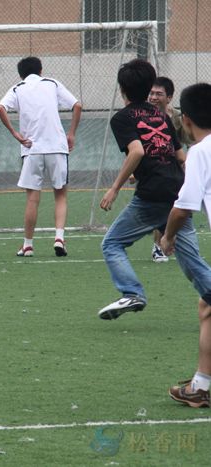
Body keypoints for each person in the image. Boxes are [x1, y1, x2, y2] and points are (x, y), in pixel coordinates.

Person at [97, 59, 185, 320]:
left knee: (112, 243)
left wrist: (114, 188)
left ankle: (132, 292)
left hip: (153, 194)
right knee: (187, 252)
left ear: (122, 89)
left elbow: (136, 151)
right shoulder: (162, 116)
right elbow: (181, 157)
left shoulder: (122, 118)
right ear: (148, 89)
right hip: (176, 189)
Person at [0, 56, 82, 258]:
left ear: (21, 74)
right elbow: (77, 105)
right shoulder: (52, 83)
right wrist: (71, 134)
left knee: (32, 199)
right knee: (60, 194)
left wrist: (15, 134)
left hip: (31, 148)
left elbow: (0, 108)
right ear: (41, 70)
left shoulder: (18, 88)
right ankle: (59, 238)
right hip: (56, 147)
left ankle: (28, 245)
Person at [160, 82, 211, 408]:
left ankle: (201, 386)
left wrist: (167, 237)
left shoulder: (200, 153)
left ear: (186, 119)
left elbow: (183, 207)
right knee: (207, 305)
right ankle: (200, 386)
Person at [147, 76, 195, 263]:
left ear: (169, 97)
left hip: (174, 171)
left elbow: (188, 140)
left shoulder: (175, 116)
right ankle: (158, 245)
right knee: (160, 208)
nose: (153, 97)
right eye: (151, 93)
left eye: (158, 94)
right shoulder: (143, 115)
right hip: (152, 170)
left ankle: (174, 244)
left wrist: (189, 164)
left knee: (178, 207)